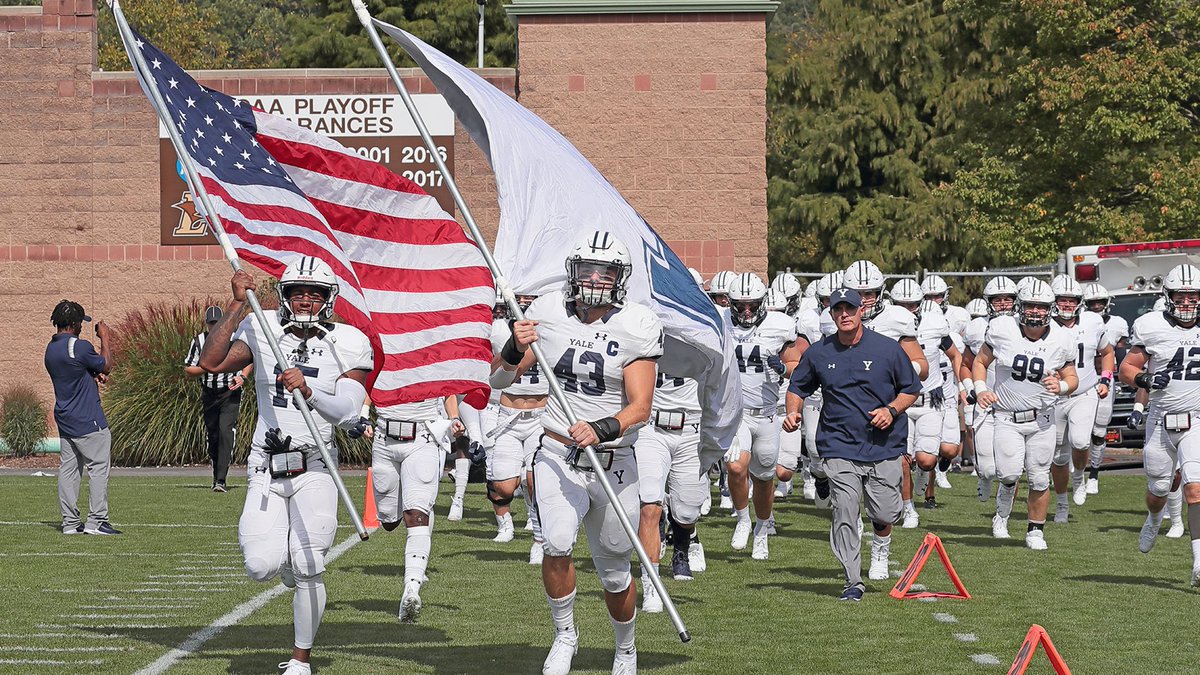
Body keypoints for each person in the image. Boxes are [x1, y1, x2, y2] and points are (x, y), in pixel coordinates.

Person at [494, 230, 662, 675]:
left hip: (613, 459)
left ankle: (625, 648)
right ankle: (565, 634)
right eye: (586, 268)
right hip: (557, 451)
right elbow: (499, 379)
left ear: (619, 278)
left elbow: (640, 407)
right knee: (557, 541)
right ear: (572, 271)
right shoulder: (547, 310)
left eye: (604, 271)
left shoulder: (636, 323)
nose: (594, 279)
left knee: (613, 572)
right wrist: (514, 345)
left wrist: (602, 427)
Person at [199, 258, 374, 675]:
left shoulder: (348, 341)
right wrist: (238, 304)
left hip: (316, 465)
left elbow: (349, 410)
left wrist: (310, 392)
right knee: (260, 565)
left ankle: (301, 660)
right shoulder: (263, 326)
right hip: (266, 463)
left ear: (330, 299)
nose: (306, 299)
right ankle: (286, 570)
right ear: (284, 295)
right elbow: (211, 362)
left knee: (310, 564)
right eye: (298, 291)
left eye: (315, 293)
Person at [784, 288, 920, 601]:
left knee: (886, 512)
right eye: (837, 310)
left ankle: (885, 526)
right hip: (838, 444)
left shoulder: (887, 349)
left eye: (850, 309)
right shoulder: (819, 353)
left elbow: (911, 389)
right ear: (831, 314)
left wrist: (891, 410)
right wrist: (793, 412)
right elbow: (798, 386)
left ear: (862, 311)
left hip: (883, 445)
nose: (844, 315)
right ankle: (852, 580)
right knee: (844, 509)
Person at [972, 280, 1078, 551]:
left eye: (1041, 307)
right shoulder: (1002, 328)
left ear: (1050, 309)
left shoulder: (1062, 338)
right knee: (1008, 474)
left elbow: (1071, 377)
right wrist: (981, 388)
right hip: (1007, 417)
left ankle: (1035, 530)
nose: (1034, 311)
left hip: (1042, 419)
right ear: (1020, 305)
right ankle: (1002, 513)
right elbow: (981, 362)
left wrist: (1063, 386)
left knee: (1041, 477)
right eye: (1030, 305)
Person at [1119, 264, 1200, 580]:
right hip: (1161, 420)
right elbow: (1127, 368)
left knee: (1194, 487)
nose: (1187, 303)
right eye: (1181, 296)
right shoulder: (1150, 326)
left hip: (1197, 419)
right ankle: (1154, 519)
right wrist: (1147, 378)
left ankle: (1197, 562)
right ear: (1168, 297)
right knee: (1159, 488)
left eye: (1193, 296)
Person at [726, 272, 801, 560]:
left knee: (765, 477)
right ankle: (743, 519)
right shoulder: (720, 321)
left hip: (768, 413)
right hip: (736, 413)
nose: (747, 311)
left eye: (753, 305)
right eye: (741, 306)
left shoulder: (780, 325)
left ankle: (761, 528)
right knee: (735, 466)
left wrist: (783, 369)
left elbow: (797, 365)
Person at [44, 299, 120, 536]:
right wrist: (105, 337)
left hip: (66, 418)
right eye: (80, 324)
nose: (81, 328)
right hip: (88, 418)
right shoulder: (79, 346)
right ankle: (96, 521)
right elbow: (107, 365)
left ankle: (70, 523)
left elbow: (75, 371)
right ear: (75, 323)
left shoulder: (51, 348)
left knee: (68, 470)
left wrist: (91, 375)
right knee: (98, 468)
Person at [1045, 276, 1113, 517]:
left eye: (1071, 300)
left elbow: (1107, 352)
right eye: (1061, 300)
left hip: (1083, 392)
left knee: (1082, 441)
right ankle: (1062, 502)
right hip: (1052, 398)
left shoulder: (1093, 321)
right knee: (1058, 455)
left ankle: (1080, 477)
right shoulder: (1042, 325)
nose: (1066, 304)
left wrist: (1105, 378)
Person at [184, 305, 253, 492]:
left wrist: (242, 377)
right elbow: (189, 369)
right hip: (209, 392)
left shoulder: (233, 339)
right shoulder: (199, 341)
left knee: (225, 431)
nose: (214, 327)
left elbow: (250, 359)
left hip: (230, 391)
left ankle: (221, 480)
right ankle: (216, 475)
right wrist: (209, 366)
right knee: (213, 435)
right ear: (206, 324)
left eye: (218, 323)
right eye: (211, 323)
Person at [1082, 281, 1130, 495]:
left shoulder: (1118, 323)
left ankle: (1094, 474)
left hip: (1105, 381)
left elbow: (1119, 354)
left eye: (1100, 302)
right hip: (1082, 381)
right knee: (1077, 432)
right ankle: (1076, 471)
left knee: (1100, 431)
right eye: (1092, 303)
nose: (1096, 306)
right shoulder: (1080, 323)